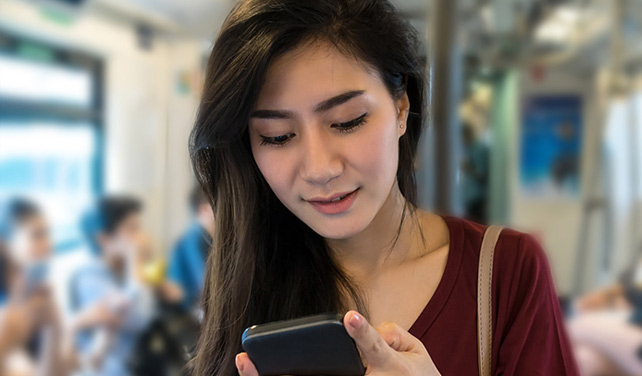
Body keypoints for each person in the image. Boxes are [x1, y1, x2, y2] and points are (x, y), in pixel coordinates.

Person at [188, 1, 581, 375]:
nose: (320, 169)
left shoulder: (504, 271)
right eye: (277, 136)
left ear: (401, 108)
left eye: (347, 121)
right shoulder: (244, 280)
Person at [68, 196, 155, 376]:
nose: (141, 237)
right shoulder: (89, 278)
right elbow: (140, 319)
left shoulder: (120, 268)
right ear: (104, 239)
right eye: (132, 229)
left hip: (138, 362)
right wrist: (136, 261)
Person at [0, 198, 67, 376]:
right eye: (37, 235)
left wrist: (53, 331)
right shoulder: (7, 312)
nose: (49, 245)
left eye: (48, 234)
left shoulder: (38, 297)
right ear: (5, 245)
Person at [164, 186, 214, 312]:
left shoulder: (205, 236)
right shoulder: (193, 239)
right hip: (190, 314)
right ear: (205, 209)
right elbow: (207, 287)